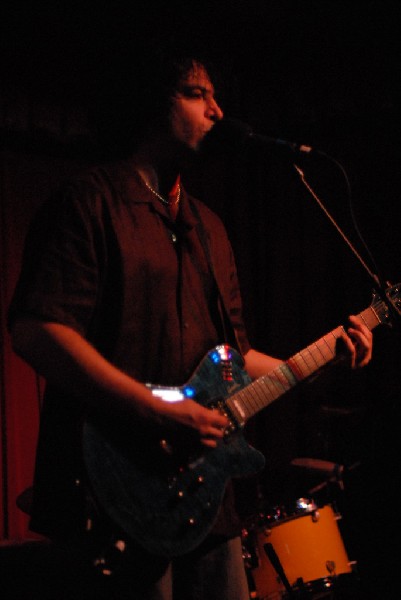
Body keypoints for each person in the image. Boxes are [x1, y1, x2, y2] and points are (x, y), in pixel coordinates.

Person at [7, 49, 373, 600]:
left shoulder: (210, 228)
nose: (218, 112)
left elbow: (235, 356)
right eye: (198, 94)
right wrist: (155, 409)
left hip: (205, 498)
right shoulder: (88, 204)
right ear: (155, 103)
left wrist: (324, 362)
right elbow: (36, 328)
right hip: (115, 492)